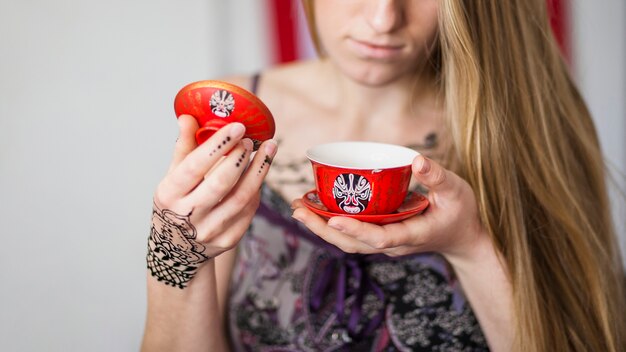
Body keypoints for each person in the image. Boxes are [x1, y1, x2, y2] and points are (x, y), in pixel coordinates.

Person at [141, 0, 626, 351]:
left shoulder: (525, 121)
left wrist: (471, 247)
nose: (383, 18)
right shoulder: (239, 113)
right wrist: (175, 249)